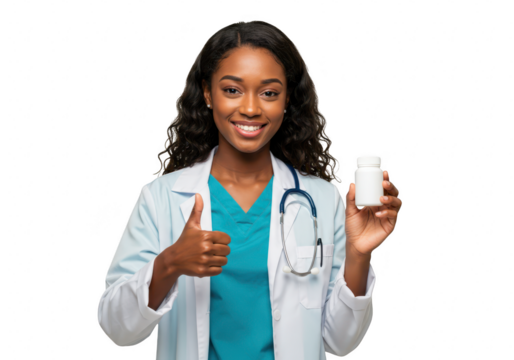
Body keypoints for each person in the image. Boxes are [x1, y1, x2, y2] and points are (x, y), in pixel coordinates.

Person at [96, 20, 403, 360]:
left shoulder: (322, 199)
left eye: (269, 92)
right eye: (232, 90)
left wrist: (359, 256)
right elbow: (117, 329)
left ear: (287, 100)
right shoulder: (161, 198)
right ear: (208, 93)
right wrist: (169, 264)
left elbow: (341, 342)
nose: (252, 108)